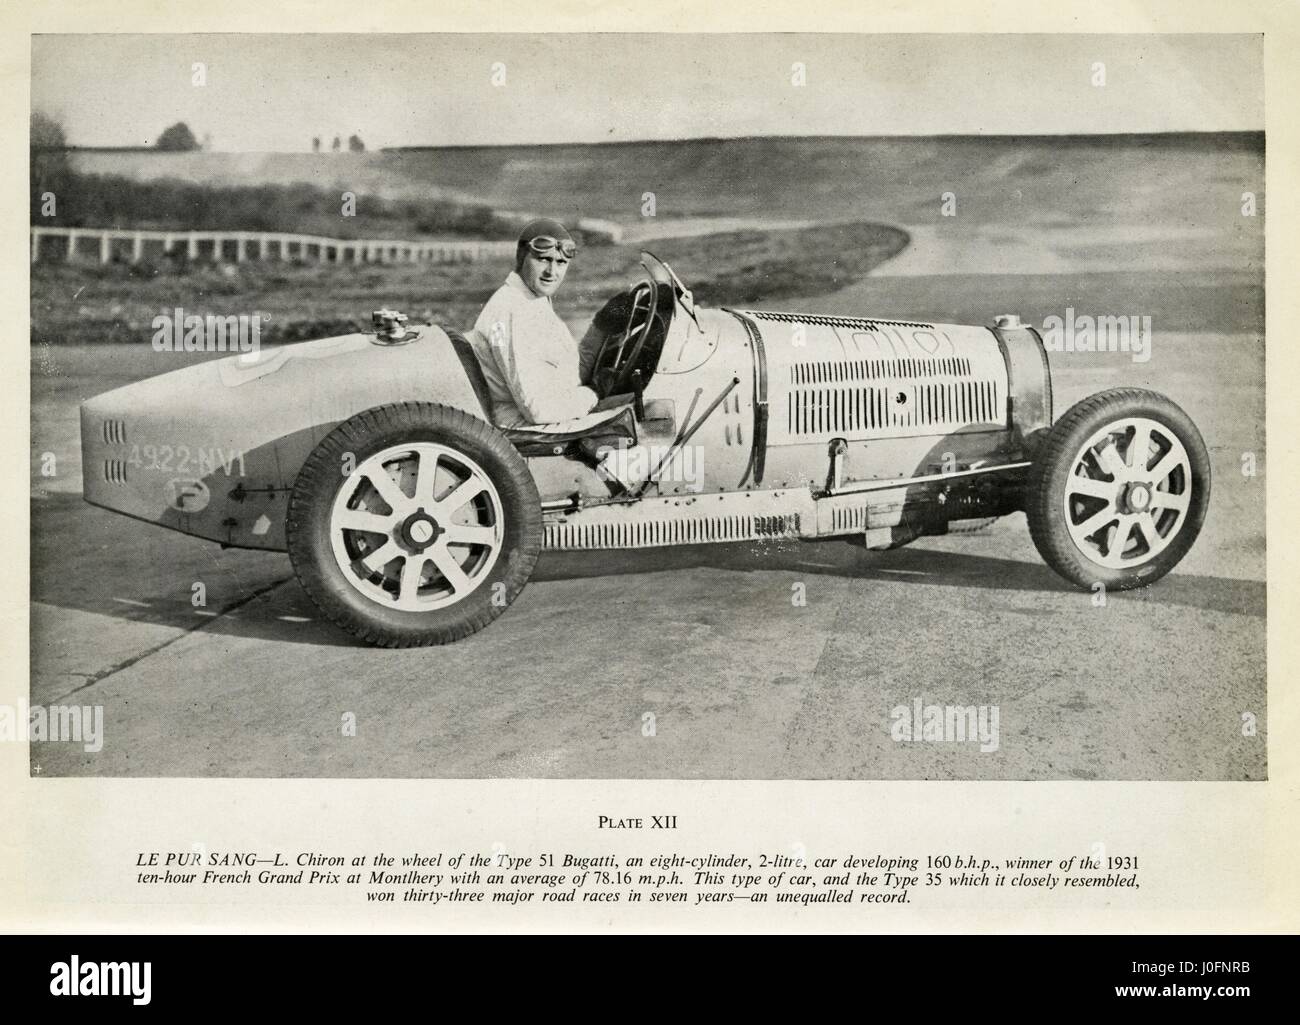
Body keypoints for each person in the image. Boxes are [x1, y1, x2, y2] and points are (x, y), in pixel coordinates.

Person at [466, 218, 599, 429]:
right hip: (523, 429)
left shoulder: (531, 300)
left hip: (546, 413)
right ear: (521, 258)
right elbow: (537, 409)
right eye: (543, 259)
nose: (552, 272)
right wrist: (591, 396)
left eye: (561, 262)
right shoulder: (512, 309)